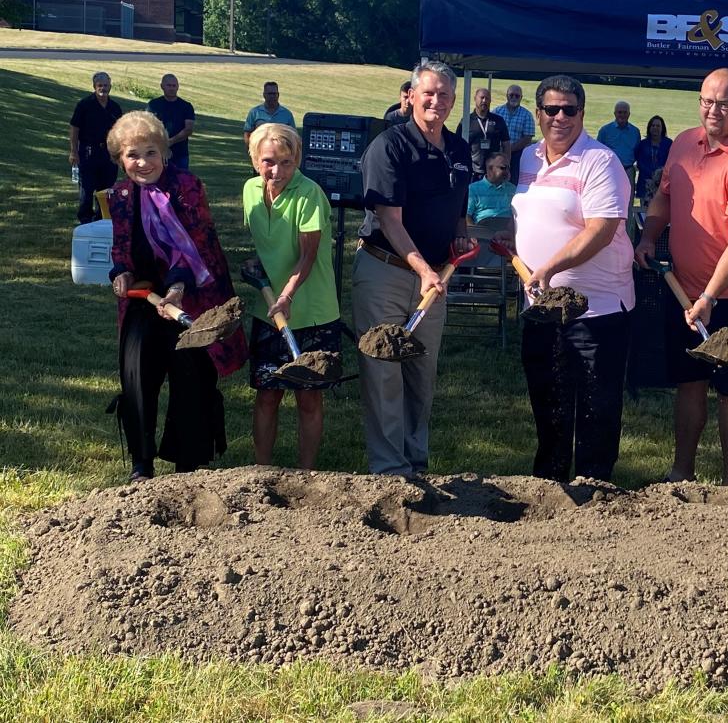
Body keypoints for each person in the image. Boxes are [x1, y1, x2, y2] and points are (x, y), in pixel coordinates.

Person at [636, 68, 728, 485]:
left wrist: (711, 297)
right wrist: (647, 239)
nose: (713, 110)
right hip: (683, 288)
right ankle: (682, 471)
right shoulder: (682, 143)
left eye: (724, 103)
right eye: (706, 101)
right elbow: (664, 197)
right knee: (689, 382)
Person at [105, 112, 246, 481]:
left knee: (192, 376)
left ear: (164, 153)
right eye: (132, 154)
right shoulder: (120, 195)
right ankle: (141, 463)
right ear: (121, 158)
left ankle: (188, 464)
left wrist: (178, 289)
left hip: (193, 292)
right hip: (143, 297)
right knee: (137, 374)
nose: (142, 162)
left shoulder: (187, 186)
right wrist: (120, 272)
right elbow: (121, 244)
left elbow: (197, 244)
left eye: (150, 153)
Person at [507, 74, 635, 481]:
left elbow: (601, 229)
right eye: (551, 109)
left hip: (596, 310)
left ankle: (595, 490)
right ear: (538, 112)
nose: (560, 117)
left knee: (596, 408)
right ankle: (551, 486)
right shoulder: (528, 159)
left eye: (570, 110)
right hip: (542, 309)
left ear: (582, 113)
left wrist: (550, 268)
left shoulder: (600, 161)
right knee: (548, 402)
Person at [354, 60, 474, 477]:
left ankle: (415, 463)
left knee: (421, 372)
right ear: (411, 95)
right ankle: (389, 469)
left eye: (444, 94)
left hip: (434, 277)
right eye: (428, 92)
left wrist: (459, 234)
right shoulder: (390, 147)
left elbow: (457, 206)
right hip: (385, 271)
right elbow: (390, 218)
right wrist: (423, 268)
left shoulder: (459, 150)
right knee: (384, 369)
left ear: (454, 100)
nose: (436, 101)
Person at [243, 123, 340, 470]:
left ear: (296, 160)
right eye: (269, 161)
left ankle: (307, 473)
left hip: (312, 310)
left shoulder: (309, 194)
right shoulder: (250, 191)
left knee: (308, 398)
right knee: (267, 394)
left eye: (286, 162)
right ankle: (261, 470)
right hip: (267, 310)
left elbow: (307, 256)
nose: (277, 171)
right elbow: (266, 245)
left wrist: (286, 295)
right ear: (255, 160)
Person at [69, 71, 122, 224]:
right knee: (87, 187)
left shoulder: (115, 107)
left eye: (105, 85)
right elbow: (74, 128)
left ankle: (102, 219)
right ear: (94, 86)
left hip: (108, 153)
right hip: (88, 152)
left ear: (110, 87)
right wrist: (73, 151)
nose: (103, 88)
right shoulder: (84, 105)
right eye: (100, 85)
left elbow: (120, 130)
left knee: (106, 188)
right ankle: (85, 219)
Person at [458, 87, 510, 182]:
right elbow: (458, 145)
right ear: (475, 99)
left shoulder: (498, 120)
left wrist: (506, 166)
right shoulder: (466, 121)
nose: (484, 101)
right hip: (472, 170)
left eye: (487, 98)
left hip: (494, 171)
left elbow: (506, 145)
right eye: (481, 97)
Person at [147, 74, 195, 170]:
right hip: (157, 152)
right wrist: (162, 143)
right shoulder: (154, 105)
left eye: (174, 86)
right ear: (162, 86)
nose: (172, 88)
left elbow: (188, 129)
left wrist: (171, 141)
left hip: (180, 154)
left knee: (181, 182)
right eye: (169, 85)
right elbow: (148, 126)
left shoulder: (186, 106)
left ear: (178, 87)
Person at [597, 100, 641, 183]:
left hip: (628, 170)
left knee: (628, 195)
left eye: (625, 112)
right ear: (615, 113)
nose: (622, 115)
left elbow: (637, 152)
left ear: (629, 114)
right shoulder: (605, 131)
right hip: (610, 170)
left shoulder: (635, 132)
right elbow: (598, 152)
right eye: (619, 112)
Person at [467, 152, 516, 225]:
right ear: (490, 169)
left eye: (508, 168)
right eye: (503, 168)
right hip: (484, 230)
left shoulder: (513, 189)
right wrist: (473, 234)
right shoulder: (473, 189)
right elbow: (466, 216)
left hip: (508, 230)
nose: (507, 171)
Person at [242, 82, 296, 148]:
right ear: (264, 95)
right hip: (260, 151)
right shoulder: (255, 112)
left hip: (281, 153)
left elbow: (294, 136)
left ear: (278, 95)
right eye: (269, 94)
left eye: (274, 94)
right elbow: (247, 134)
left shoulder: (287, 114)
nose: (272, 96)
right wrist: (250, 149)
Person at [635, 115, 671, 205]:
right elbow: (639, 162)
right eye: (653, 125)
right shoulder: (643, 144)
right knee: (644, 210)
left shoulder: (668, 143)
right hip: (645, 182)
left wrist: (659, 175)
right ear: (649, 128)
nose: (655, 128)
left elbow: (670, 161)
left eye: (658, 126)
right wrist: (651, 175)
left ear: (662, 128)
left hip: (662, 182)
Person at [496, 84, 535, 160]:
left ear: (521, 98)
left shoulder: (527, 115)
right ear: (507, 96)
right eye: (511, 95)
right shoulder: (497, 112)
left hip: (518, 155)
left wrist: (509, 150)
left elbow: (527, 139)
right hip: (498, 153)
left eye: (517, 96)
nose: (514, 98)